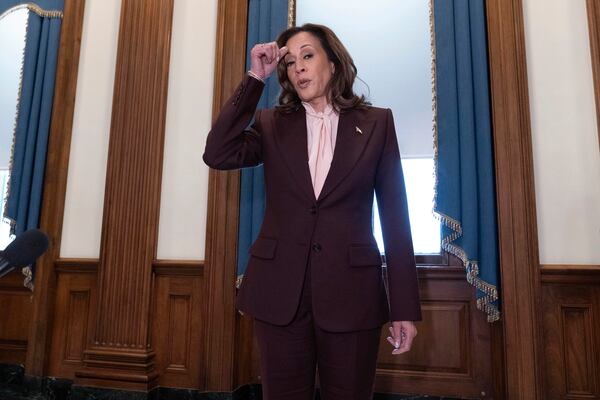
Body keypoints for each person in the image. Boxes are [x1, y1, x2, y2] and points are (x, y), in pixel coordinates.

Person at [203, 23, 421, 400]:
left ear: (333, 63)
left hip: (352, 296)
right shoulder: (272, 124)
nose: (298, 67)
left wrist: (404, 308)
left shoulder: (376, 123)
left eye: (308, 55)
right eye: (290, 62)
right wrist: (256, 77)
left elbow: (395, 218)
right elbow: (217, 152)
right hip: (279, 294)